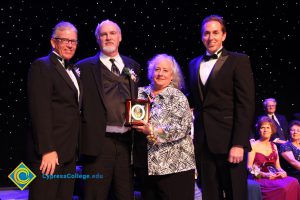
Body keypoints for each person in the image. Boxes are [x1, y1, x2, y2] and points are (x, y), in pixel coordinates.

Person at [188, 14, 255, 200]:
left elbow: (246, 105)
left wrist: (239, 143)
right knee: (209, 194)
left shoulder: (238, 60)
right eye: (206, 33)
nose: (211, 37)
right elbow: (193, 98)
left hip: (230, 143)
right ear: (202, 37)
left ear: (224, 35)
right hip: (203, 143)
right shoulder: (193, 64)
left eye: (215, 32)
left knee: (235, 194)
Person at [76, 19, 140, 200]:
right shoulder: (83, 67)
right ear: (97, 39)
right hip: (98, 142)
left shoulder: (132, 65)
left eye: (112, 33)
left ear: (120, 37)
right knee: (94, 194)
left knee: (125, 194)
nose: (108, 37)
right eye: (103, 34)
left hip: (127, 142)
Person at [27, 21, 81, 200]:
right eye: (65, 40)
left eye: (73, 41)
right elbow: (39, 110)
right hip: (50, 154)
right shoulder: (42, 66)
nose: (70, 45)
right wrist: (48, 149)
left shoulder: (72, 69)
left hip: (69, 152)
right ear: (53, 42)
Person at [133, 54, 196, 200]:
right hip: (146, 165)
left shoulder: (178, 97)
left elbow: (181, 128)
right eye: (157, 69)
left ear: (172, 75)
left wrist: (152, 131)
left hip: (174, 167)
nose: (160, 73)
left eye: (165, 70)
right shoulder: (139, 93)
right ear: (150, 72)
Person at [248, 116, 299, 200]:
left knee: (294, 182)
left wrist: (283, 172)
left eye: (268, 127)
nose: (265, 130)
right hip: (259, 178)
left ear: (272, 130)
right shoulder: (253, 146)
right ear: (259, 130)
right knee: (283, 188)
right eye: (262, 127)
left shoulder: (274, 146)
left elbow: (278, 167)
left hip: (273, 176)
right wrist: (264, 175)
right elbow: (249, 168)